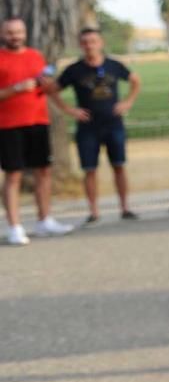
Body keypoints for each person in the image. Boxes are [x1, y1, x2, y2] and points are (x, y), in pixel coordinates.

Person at [43, 28, 141, 222]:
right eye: (86, 42)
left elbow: (135, 81)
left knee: (119, 165)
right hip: (88, 127)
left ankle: (125, 207)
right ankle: (94, 211)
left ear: (101, 43)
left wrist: (128, 102)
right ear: (81, 45)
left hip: (113, 124)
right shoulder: (74, 70)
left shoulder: (114, 65)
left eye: (93, 41)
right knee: (89, 169)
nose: (90, 46)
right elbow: (52, 90)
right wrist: (69, 109)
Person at [0, 18, 74, 245]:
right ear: (3, 34)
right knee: (14, 175)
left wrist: (47, 84)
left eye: (19, 31)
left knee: (43, 171)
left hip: (38, 121)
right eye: (11, 32)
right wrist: (16, 88)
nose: (16, 36)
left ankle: (45, 220)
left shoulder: (35, 56)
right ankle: (14, 227)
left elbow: (46, 88)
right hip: (9, 125)